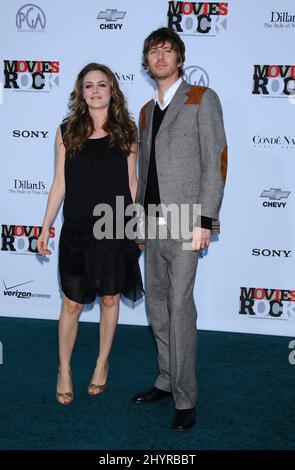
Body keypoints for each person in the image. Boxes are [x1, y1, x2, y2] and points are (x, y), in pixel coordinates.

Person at [132, 28, 227, 431]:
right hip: (152, 224)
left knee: (179, 308)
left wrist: (206, 220)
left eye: (167, 50)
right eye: (153, 51)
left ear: (180, 59)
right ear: (146, 62)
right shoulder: (146, 110)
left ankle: (186, 398)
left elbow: (216, 162)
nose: (159, 57)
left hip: (188, 223)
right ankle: (166, 379)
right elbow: (143, 171)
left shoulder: (202, 99)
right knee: (156, 307)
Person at [37, 63, 144, 405]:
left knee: (110, 298)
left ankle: (102, 363)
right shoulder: (66, 131)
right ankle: (64, 369)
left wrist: (138, 226)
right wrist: (45, 227)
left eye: (102, 84)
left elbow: (132, 183)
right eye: (88, 86)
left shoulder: (127, 131)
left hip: (114, 225)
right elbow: (59, 184)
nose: (95, 90)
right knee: (71, 302)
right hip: (79, 229)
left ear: (112, 90)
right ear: (80, 93)